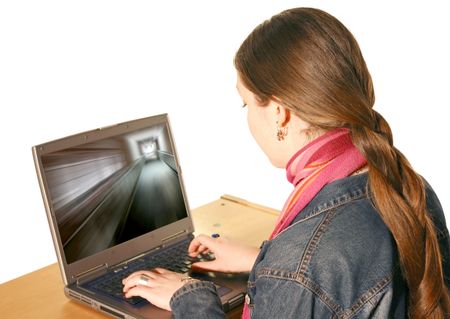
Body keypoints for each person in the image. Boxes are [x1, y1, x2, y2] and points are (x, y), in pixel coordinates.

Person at [122, 7, 450, 318]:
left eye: (245, 103)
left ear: (280, 113)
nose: (247, 116)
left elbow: (312, 272)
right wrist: (262, 262)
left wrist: (190, 295)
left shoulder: (298, 266)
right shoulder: (410, 188)